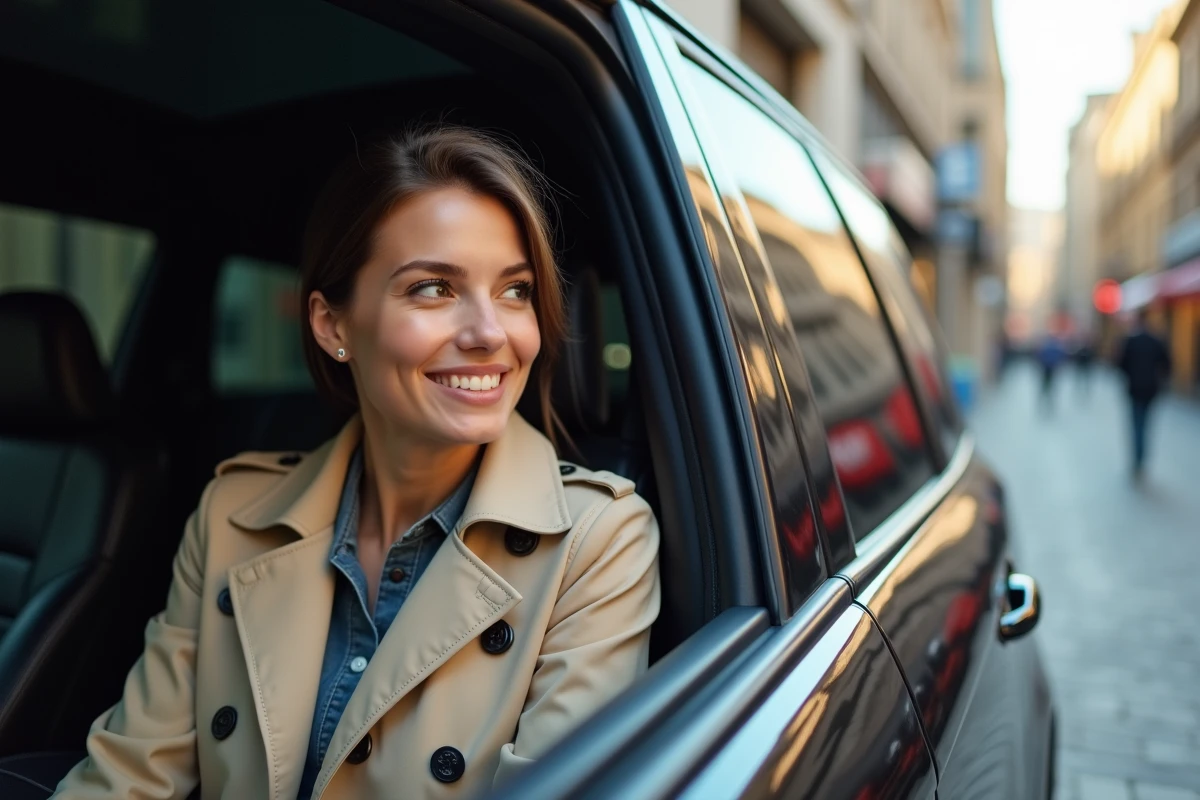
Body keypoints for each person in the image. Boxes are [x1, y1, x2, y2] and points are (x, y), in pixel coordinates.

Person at [53, 126, 661, 799]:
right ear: (333, 326)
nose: (491, 333)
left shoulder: (598, 542)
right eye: (434, 288)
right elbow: (126, 779)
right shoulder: (233, 514)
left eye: (515, 291)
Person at [1116, 308, 1172, 480]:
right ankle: (1141, 457)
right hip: (1151, 388)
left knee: (1136, 424)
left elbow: (1120, 364)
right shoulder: (1156, 341)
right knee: (1146, 423)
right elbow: (1168, 364)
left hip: (1135, 388)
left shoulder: (1130, 341)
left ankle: (1137, 459)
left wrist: (1131, 375)